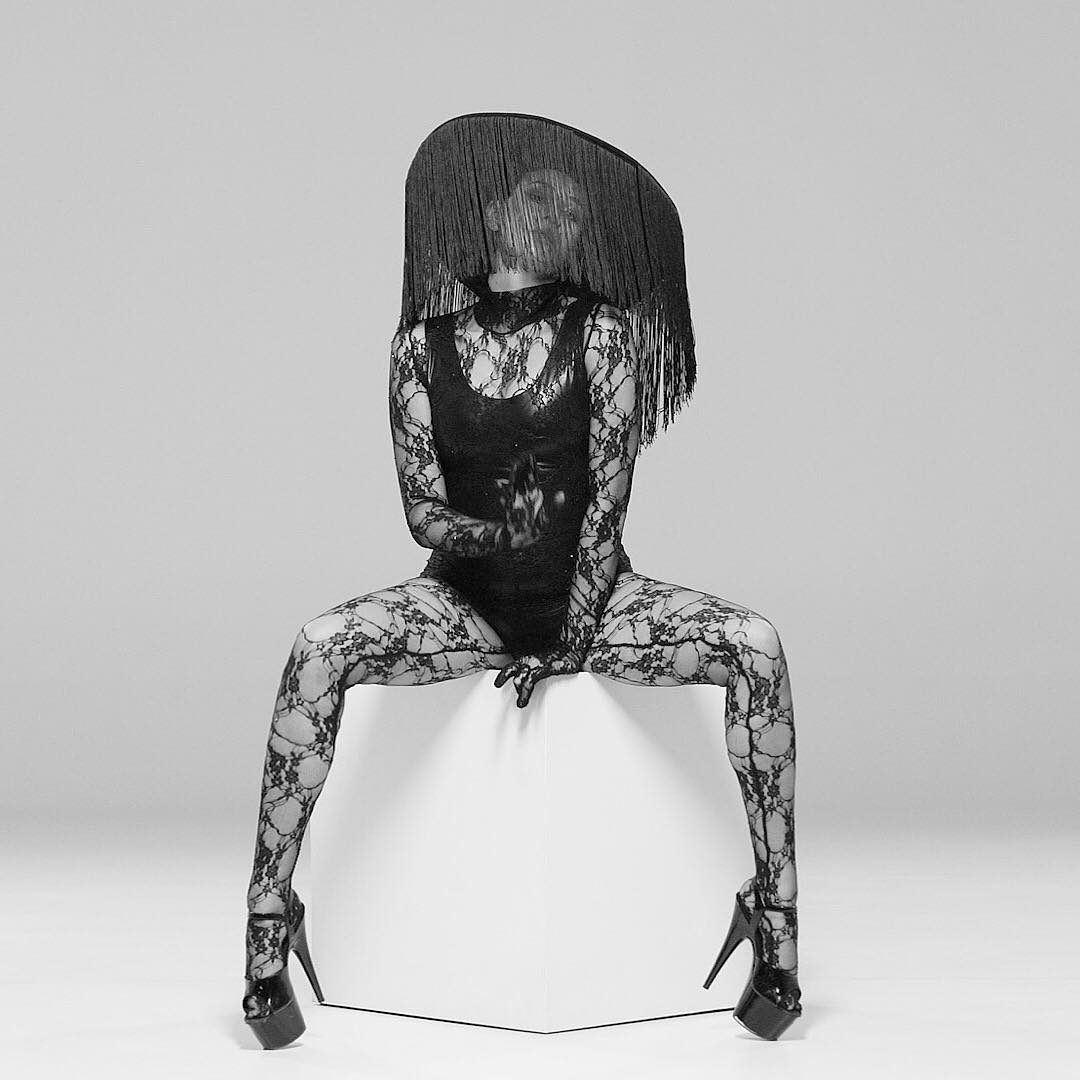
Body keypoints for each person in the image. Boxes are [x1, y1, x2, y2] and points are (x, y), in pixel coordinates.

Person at [242, 113, 801, 1048]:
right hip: (462, 601)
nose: (555, 216)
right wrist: (498, 532)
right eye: (537, 197)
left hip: (597, 601)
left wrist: (571, 638)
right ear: (494, 214)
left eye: (572, 213)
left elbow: (605, 506)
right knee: (316, 648)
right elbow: (423, 514)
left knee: (757, 645)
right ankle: (268, 920)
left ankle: (776, 917)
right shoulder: (419, 346)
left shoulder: (605, 335)